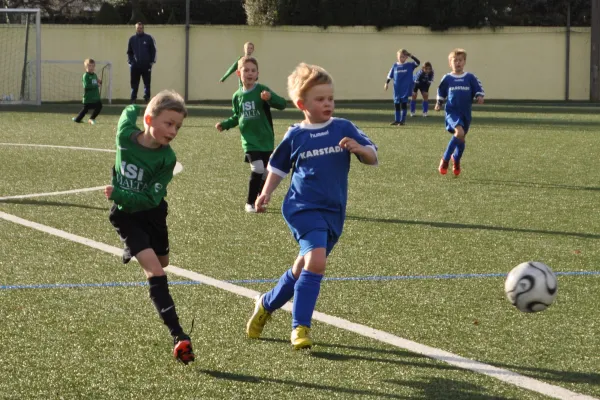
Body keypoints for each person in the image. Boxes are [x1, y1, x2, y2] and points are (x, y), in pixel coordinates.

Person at [246, 63, 378, 350]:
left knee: (303, 267)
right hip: (301, 208)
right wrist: (265, 193)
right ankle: (300, 327)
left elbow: (373, 156)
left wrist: (359, 149)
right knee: (317, 261)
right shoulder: (296, 135)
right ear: (301, 104)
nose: (327, 103)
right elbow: (278, 167)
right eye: (320, 99)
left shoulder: (344, 127)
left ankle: (266, 303)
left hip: (333, 211)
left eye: (330, 98)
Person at [105, 90, 195, 365]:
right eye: (168, 123)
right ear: (149, 119)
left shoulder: (167, 159)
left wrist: (118, 193)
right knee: (155, 270)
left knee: (163, 261)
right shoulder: (124, 136)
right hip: (125, 216)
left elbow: (149, 198)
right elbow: (128, 112)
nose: (174, 131)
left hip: (152, 211)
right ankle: (179, 336)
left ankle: (135, 247)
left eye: (178, 126)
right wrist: (118, 198)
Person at [215, 56, 286, 213]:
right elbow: (237, 116)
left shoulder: (262, 90)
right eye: (246, 70)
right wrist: (225, 124)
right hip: (249, 141)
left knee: (267, 172)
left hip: (266, 139)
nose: (250, 73)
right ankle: (249, 203)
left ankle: (259, 200)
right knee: (258, 168)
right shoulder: (237, 96)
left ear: (257, 74)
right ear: (238, 73)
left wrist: (270, 98)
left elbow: (282, 104)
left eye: (253, 70)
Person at [435, 48, 484, 176]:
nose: (458, 63)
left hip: (465, 113)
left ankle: (456, 160)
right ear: (450, 63)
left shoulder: (470, 77)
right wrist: (439, 103)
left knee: (461, 140)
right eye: (455, 60)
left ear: (464, 62)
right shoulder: (447, 78)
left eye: (460, 60)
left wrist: (479, 96)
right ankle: (445, 159)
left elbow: (478, 88)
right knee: (459, 132)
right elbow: (441, 92)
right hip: (452, 112)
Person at [384, 49, 420, 126]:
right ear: (397, 57)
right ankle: (397, 120)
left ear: (406, 57)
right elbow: (390, 75)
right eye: (400, 57)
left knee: (403, 104)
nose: (401, 58)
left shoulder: (409, 65)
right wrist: (386, 83)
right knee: (397, 105)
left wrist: (411, 56)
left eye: (403, 57)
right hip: (397, 89)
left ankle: (402, 121)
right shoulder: (395, 65)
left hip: (405, 89)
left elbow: (418, 62)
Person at [127, 22, 157, 104]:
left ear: (143, 28)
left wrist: (151, 62)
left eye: (140, 28)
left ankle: (147, 98)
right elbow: (129, 52)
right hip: (135, 66)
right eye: (138, 28)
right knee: (134, 83)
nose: (139, 29)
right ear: (135, 29)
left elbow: (153, 50)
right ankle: (133, 99)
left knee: (147, 83)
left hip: (146, 65)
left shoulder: (148, 38)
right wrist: (131, 62)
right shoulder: (132, 39)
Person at [72, 58, 102, 125]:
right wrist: (96, 85)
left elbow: (96, 80)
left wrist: (99, 81)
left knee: (99, 106)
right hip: (88, 98)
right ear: (86, 67)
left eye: (93, 66)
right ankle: (77, 119)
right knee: (85, 110)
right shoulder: (85, 76)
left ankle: (91, 119)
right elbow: (86, 86)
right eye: (89, 66)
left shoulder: (94, 75)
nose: (91, 67)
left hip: (95, 97)